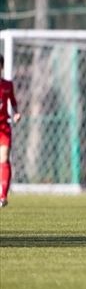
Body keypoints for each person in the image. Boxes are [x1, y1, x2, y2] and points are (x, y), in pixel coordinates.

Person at [0, 55, 21, 208]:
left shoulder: (7, 85)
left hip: (4, 128)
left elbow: (13, 102)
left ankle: (3, 196)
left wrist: (16, 113)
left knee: (4, 158)